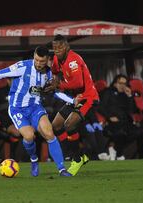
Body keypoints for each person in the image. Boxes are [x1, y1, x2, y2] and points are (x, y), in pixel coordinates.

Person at [0, 46, 73, 176]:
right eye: (36, 60)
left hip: (35, 107)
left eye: (41, 62)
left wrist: (72, 101)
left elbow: (55, 93)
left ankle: (62, 169)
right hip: (17, 108)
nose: (38, 63)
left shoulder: (49, 74)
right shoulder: (22, 67)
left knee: (49, 133)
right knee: (29, 136)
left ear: (48, 60)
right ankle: (34, 159)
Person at [45, 34, 99, 176]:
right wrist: (52, 80)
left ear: (67, 46)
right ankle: (80, 155)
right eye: (55, 48)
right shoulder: (57, 59)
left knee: (69, 125)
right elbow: (55, 72)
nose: (57, 50)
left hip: (87, 97)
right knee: (55, 126)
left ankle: (76, 159)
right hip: (75, 98)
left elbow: (78, 83)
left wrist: (59, 85)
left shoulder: (73, 60)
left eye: (60, 47)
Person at [100, 74, 142, 160]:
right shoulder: (108, 92)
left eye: (124, 84)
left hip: (125, 122)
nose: (122, 86)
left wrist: (130, 96)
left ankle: (116, 150)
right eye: (120, 83)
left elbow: (132, 110)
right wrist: (109, 117)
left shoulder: (126, 95)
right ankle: (117, 153)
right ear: (115, 83)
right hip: (112, 122)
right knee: (120, 132)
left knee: (138, 132)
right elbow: (101, 107)